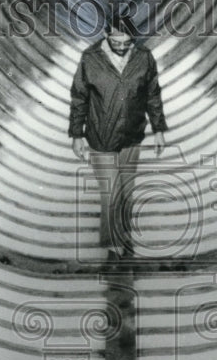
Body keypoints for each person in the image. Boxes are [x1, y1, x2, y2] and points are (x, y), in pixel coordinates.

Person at [69, 16, 168, 258]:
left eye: (127, 42)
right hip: (100, 136)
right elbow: (79, 97)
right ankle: (113, 247)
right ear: (106, 36)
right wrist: (76, 135)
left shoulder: (143, 57)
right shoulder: (90, 59)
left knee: (125, 191)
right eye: (117, 42)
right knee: (111, 193)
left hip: (131, 135)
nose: (122, 46)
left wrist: (158, 130)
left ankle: (124, 235)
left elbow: (152, 94)